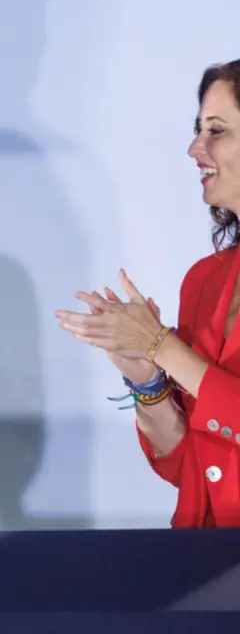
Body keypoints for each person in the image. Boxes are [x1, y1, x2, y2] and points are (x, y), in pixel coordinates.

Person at [57, 59, 240, 528]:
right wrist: (145, 377)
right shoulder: (205, 280)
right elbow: (188, 467)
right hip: (199, 570)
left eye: (216, 131)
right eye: (198, 129)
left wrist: (162, 346)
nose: (195, 148)